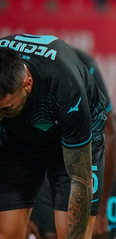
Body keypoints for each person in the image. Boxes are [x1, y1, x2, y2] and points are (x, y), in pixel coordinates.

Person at [0, 35, 109, 239]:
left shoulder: (64, 86)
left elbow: (80, 178)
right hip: (17, 140)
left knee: (71, 234)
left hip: (70, 142)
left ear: (27, 84)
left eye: (5, 109)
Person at [27, 49, 116, 239]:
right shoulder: (19, 82)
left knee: (98, 233)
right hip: (51, 160)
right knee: (50, 233)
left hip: (94, 159)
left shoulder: (85, 66)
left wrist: (101, 210)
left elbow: (110, 135)